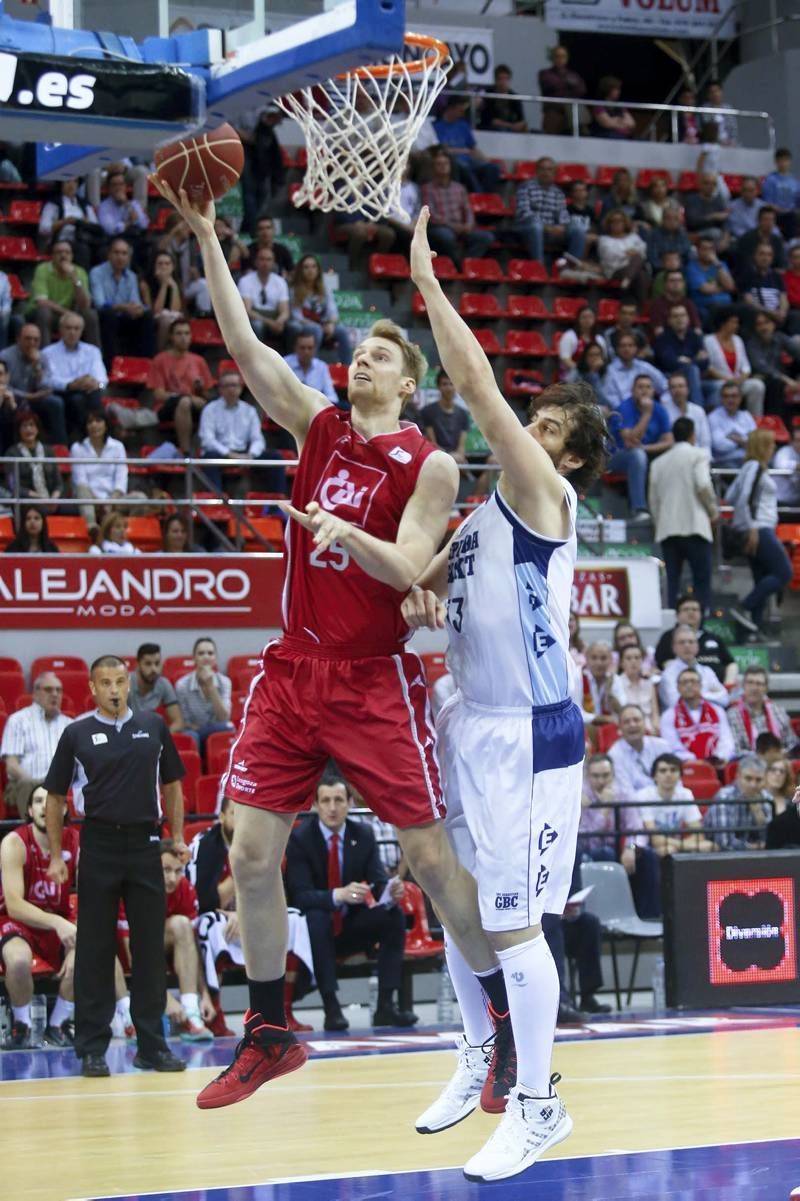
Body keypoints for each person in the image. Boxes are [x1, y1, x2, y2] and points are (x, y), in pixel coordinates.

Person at [151, 178, 500, 1118]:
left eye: (378, 355)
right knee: (250, 853)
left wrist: (354, 542)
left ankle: (507, 1022)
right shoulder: (322, 429)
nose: (360, 362)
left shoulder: (428, 462)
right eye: (355, 353)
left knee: (428, 859)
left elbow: (412, 572)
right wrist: (210, 239)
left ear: (410, 380)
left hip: (373, 678)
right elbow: (244, 349)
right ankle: (270, 1029)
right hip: (292, 668)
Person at [404, 204, 610, 1178]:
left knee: (513, 918)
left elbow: (477, 387)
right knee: (455, 903)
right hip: (468, 723)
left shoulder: (543, 498)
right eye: (534, 421)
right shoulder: (484, 513)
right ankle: (478, 1051)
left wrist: (429, 287)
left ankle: (537, 1104)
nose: (528, 432)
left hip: (532, 733)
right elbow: (418, 583)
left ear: (566, 460)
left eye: (547, 429)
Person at [43, 655, 187, 1077]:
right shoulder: (76, 733)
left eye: (120, 682)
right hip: (99, 842)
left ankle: (152, 1045)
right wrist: (55, 855)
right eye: (104, 683)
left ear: (129, 684)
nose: (113, 689)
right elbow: (54, 798)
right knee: (94, 948)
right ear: (91, 687)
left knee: (147, 948)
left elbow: (173, 784)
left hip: (145, 844)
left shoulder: (154, 727)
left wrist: (176, 837)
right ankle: (91, 1047)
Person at [285, 775, 412, 1031]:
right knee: (317, 917)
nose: (332, 807)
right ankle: (331, 1008)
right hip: (314, 930)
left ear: (350, 803)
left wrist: (390, 890)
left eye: (339, 800)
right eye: (326, 801)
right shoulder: (300, 838)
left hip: (351, 923)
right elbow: (300, 896)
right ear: (317, 805)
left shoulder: (363, 833)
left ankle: (385, 1006)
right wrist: (337, 895)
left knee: (394, 916)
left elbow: (377, 881)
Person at [0, 784, 80, 1048]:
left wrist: (75, 934)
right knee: (18, 961)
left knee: (86, 955)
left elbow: (92, 898)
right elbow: (14, 905)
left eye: (51, 801)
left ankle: (58, 1025)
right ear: (29, 810)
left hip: (57, 923)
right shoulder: (14, 842)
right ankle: (21, 1026)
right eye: (38, 801)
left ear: (65, 809)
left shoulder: (77, 842)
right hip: (18, 922)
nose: (45, 807)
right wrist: (58, 923)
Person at [726, 428, 792, 636]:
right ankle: (744, 606)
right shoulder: (755, 467)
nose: (773, 448)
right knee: (784, 572)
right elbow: (744, 498)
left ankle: (753, 628)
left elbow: (730, 495)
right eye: (770, 444)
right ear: (762, 446)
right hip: (760, 528)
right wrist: (752, 526)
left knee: (761, 577)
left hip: (754, 528)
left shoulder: (748, 467)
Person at [648, 416, 717, 613]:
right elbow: (703, 484)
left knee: (672, 581)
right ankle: (700, 621)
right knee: (701, 581)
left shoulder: (658, 462)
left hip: (668, 529)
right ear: (692, 434)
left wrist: (659, 522)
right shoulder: (698, 455)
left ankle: (672, 621)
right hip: (695, 527)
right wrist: (713, 511)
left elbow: (653, 501)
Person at [156, 840, 214, 1040]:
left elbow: (192, 947)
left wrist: (204, 995)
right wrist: (163, 997)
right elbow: (133, 952)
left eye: (178, 871)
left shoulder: (186, 889)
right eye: (165, 870)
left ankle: (191, 1012)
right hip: (130, 951)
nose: (172, 878)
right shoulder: (139, 890)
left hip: (166, 949)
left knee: (183, 925)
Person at [1, 672, 72, 819]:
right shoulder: (18, 721)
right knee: (32, 789)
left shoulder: (70, 725)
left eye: (58, 690)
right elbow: (12, 766)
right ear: (35, 693)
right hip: (27, 784)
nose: (54, 694)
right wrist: (39, 785)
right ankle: (34, 837)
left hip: (61, 786)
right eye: (48, 690)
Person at [607, 373, 674, 521]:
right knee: (637, 455)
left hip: (645, 452)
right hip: (617, 456)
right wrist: (646, 414)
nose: (644, 391)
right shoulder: (624, 408)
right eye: (640, 387)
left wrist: (645, 448)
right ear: (632, 390)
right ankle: (638, 508)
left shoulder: (660, 409)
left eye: (648, 387)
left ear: (653, 391)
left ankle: (669, 511)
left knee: (674, 456)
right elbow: (630, 442)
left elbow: (669, 441)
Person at [145, 317, 215, 455]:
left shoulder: (199, 361)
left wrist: (200, 389)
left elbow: (207, 395)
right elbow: (159, 394)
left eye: (187, 333)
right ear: (171, 337)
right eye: (179, 333)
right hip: (167, 407)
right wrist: (187, 396)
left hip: (195, 405)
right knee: (184, 402)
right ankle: (186, 451)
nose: (183, 337)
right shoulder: (160, 360)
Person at [420, 147, 493, 269]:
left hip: (461, 228)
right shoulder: (427, 189)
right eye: (439, 164)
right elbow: (430, 214)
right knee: (446, 236)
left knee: (486, 237)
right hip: (441, 227)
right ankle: (459, 266)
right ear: (433, 168)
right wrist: (453, 226)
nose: (443, 166)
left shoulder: (460, 188)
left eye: (446, 163)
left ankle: (466, 263)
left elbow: (468, 211)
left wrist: (469, 225)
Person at [198, 368, 265, 494]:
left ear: (240, 388)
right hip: (221, 454)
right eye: (226, 386)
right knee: (209, 458)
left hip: (244, 453)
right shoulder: (210, 409)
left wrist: (251, 455)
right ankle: (216, 499)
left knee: (274, 458)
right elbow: (207, 440)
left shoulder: (249, 411)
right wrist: (230, 454)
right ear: (220, 389)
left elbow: (258, 439)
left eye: (234, 385)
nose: (231, 389)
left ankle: (274, 506)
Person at [41, 310, 107, 438]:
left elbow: (103, 380)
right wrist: (71, 384)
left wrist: (96, 384)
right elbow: (47, 380)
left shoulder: (93, 351)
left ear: (82, 331)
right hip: (62, 392)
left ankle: (92, 439)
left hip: (89, 392)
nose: (72, 332)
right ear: (60, 329)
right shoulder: (48, 352)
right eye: (68, 328)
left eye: (76, 328)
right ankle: (86, 439)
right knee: (77, 400)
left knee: (95, 395)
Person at [512, 156, 586, 267]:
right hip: (527, 228)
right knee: (536, 226)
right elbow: (524, 213)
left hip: (551, 231)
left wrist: (562, 226)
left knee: (578, 228)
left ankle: (571, 268)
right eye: (542, 169)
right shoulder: (525, 187)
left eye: (549, 169)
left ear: (555, 173)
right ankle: (539, 267)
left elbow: (563, 216)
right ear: (536, 171)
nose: (545, 172)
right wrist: (546, 227)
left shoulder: (558, 193)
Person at [70, 409, 138, 528]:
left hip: (114, 499)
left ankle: (125, 530)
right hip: (89, 499)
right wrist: (100, 503)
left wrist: (110, 501)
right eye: (90, 422)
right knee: (81, 489)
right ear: (85, 426)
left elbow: (121, 478)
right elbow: (80, 481)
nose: (94, 425)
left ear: (106, 424)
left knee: (141, 499)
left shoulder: (118, 447)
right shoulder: (77, 448)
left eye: (98, 421)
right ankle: (92, 527)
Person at [0, 323, 67, 445]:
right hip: (12, 398)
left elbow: (47, 387)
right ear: (18, 339)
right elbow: (3, 385)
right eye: (28, 338)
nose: (32, 343)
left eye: (36, 340)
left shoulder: (41, 357)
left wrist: (37, 367)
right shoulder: (6, 356)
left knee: (56, 403)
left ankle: (60, 450)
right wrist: (28, 396)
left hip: (35, 400)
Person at [635, 754, 715, 856]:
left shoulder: (686, 794)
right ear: (654, 776)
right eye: (663, 771)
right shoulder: (644, 796)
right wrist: (686, 845)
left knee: (709, 846)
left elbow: (699, 834)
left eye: (673, 770)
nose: (668, 775)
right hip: (644, 846)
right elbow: (655, 839)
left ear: (680, 775)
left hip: (674, 844)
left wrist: (681, 845)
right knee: (668, 850)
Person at [89, 238, 153, 362]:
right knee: (109, 314)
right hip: (105, 317)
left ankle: (145, 363)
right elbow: (100, 303)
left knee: (147, 316)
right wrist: (123, 307)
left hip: (125, 316)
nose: (120, 257)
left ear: (129, 257)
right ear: (109, 255)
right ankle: (111, 364)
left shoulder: (131, 276)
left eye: (124, 253)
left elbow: (135, 302)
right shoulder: (97, 273)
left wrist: (139, 309)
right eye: (116, 252)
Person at [29, 238, 99, 348]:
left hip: (70, 314)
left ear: (72, 256)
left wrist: (75, 280)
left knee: (91, 315)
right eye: (59, 252)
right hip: (49, 314)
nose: (63, 256)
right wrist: (67, 313)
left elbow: (85, 304)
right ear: (52, 256)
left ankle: (95, 357)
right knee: (44, 314)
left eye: (67, 252)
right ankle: (44, 357)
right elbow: (42, 302)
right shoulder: (42, 269)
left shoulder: (79, 272)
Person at [654, 593, 737, 685]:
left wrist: (728, 684)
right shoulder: (668, 637)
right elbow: (658, 665)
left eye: (695, 609)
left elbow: (730, 663)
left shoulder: (713, 638)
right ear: (677, 615)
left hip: (716, 687)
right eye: (686, 609)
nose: (691, 612)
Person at [659, 667, 734, 765]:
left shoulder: (717, 711)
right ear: (678, 687)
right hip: (686, 766)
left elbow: (726, 739)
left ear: (700, 685)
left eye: (693, 681)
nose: (689, 685)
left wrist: (719, 756)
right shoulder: (668, 716)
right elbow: (671, 745)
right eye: (684, 682)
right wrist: (695, 761)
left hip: (718, 764)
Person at [288, 254, 351, 365]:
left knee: (341, 330)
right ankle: (313, 366)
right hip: (303, 326)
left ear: (318, 270)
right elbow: (296, 316)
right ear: (300, 270)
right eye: (306, 267)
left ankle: (348, 368)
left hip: (323, 325)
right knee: (315, 329)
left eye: (313, 267)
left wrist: (331, 324)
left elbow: (333, 312)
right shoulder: (294, 290)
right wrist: (321, 326)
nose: (310, 270)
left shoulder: (324, 288)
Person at [432, 95, 502, 194]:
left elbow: (473, 148)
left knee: (492, 168)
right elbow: (442, 150)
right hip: (453, 162)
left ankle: (487, 198)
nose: (462, 113)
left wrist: (486, 160)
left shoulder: (463, 125)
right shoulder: (436, 127)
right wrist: (465, 151)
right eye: (460, 110)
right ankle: (479, 194)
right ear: (451, 108)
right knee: (462, 166)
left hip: (469, 161)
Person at [175, 636, 233, 754]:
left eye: (210, 653)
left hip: (217, 728)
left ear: (215, 658)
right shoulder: (182, 685)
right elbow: (184, 721)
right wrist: (198, 728)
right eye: (201, 653)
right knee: (191, 736)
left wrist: (211, 687)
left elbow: (224, 717)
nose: (206, 657)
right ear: (194, 658)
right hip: (193, 730)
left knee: (228, 727)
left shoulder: (225, 682)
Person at [703, 754, 771, 850]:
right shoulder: (725, 797)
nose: (753, 785)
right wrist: (753, 847)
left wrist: (759, 815)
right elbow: (724, 843)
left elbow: (770, 840)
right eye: (748, 778)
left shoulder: (766, 797)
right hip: (718, 858)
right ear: (738, 776)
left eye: (758, 780)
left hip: (754, 857)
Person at [704, 307, 766, 413]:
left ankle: (755, 419)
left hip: (737, 381)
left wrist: (742, 378)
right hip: (720, 381)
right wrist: (727, 379)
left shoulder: (738, 340)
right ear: (722, 323)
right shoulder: (708, 340)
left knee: (757, 385)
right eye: (733, 322)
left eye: (737, 322)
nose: (736, 325)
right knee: (720, 387)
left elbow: (745, 366)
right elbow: (708, 367)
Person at [658, 625, 731, 711]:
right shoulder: (668, 674)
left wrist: (695, 695)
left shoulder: (707, 671)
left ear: (697, 646)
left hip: (709, 718)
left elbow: (725, 699)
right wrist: (708, 693)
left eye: (691, 642)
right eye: (682, 642)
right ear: (674, 648)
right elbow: (674, 702)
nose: (687, 646)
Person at [727, 667, 795, 756]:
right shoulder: (732, 715)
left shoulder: (779, 712)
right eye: (750, 683)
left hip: (778, 763)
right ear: (743, 686)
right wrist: (765, 757)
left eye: (759, 684)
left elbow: (792, 744)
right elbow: (736, 751)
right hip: (749, 766)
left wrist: (780, 754)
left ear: (766, 688)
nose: (754, 688)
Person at [652, 304, 709, 408]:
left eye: (683, 315)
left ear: (688, 319)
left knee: (717, 387)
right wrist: (695, 359)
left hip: (693, 381)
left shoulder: (695, 336)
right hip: (669, 379)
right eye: (676, 316)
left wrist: (686, 360)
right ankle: (698, 411)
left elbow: (705, 362)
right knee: (692, 370)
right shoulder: (663, 339)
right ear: (669, 320)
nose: (680, 319)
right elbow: (669, 363)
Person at [608, 704, 670, 799]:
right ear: (619, 727)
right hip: (636, 810)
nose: (632, 725)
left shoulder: (662, 746)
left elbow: (674, 782)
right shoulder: (615, 755)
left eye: (636, 720)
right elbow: (627, 794)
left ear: (645, 723)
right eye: (626, 722)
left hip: (667, 804)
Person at [746, 311, 800, 417]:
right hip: (765, 379)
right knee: (776, 383)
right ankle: (778, 422)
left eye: (766, 322)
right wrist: (787, 380)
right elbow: (762, 368)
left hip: (785, 379)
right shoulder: (752, 343)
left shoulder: (780, 337)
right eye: (759, 324)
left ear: (773, 324)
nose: (763, 327)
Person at [237, 245, 291, 349]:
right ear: (256, 262)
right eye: (262, 259)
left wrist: (279, 322)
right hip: (255, 317)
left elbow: (285, 311)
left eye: (269, 259)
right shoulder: (245, 281)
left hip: (275, 318)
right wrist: (269, 322)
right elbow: (247, 311)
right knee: (257, 326)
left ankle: (289, 360)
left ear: (273, 262)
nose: (265, 263)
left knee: (294, 327)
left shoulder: (280, 282)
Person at [4, 409, 62, 504]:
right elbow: (12, 485)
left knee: (78, 510)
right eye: (24, 426)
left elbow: (58, 483)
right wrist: (38, 498)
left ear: (37, 429)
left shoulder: (48, 450)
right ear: (19, 430)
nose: (28, 429)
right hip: (26, 501)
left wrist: (54, 499)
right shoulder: (12, 453)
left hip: (51, 500)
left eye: (31, 425)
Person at [129, 643, 184, 732]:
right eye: (148, 664)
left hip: (152, 735)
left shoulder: (163, 683)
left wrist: (163, 737)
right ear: (138, 665)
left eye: (157, 663)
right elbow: (114, 722)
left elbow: (178, 722)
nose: (154, 669)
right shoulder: (124, 684)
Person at [604, 334, 667, 411]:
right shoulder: (611, 370)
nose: (627, 349)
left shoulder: (645, 367)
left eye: (630, 345)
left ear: (636, 348)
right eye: (623, 346)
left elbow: (665, 386)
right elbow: (611, 398)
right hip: (623, 412)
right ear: (617, 349)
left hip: (648, 408)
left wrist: (663, 402)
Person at [596, 210, 648, 302]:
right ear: (609, 224)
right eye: (613, 221)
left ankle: (626, 282)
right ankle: (643, 306)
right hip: (615, 270)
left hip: (632, 268)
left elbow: (643, 249)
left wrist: (630, 253)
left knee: (641, 273)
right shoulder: (604, 240)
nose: (617, 223)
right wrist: (627, 253)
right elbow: (609, 256)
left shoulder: (633, 236)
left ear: (625, 223)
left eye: (620, 221)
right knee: (638, 261)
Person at [422, 369, 470, 463]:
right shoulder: (428, 411)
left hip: (458, 459)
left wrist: (458, 456)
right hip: (436, 457)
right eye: (444, 384)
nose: (448, 388)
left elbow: (461, 447)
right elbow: (432, 444)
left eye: (451, 384)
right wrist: (449, 457)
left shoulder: (463, 413)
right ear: (438, 387)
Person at [140, 249, 184, 351]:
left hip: (171, 318)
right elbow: (155, 311)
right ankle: (160, 353)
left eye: (167, 264)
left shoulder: (175, 283)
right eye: (160, 263)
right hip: (151, 319)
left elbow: (175, 310)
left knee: (174, 319)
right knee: (165, 318)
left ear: (173, 267)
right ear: (154, 266)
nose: (164, 267)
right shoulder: (145, 283)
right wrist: (164, 285)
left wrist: (173, 286)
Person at [610, 644, 659, 733]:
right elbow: (616, 714)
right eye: (628, 658)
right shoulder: (616, 683)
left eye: (637, 658)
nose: (633, 661)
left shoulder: (648, 683)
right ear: (621, 663)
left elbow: (655, 714)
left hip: (649, 728)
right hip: (627, 728)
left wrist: (655, 728)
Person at [538, 45, 586, 136]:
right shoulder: (544, 74)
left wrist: (566, 85)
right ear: (552, 58)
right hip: (554, 114)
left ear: (567, 58)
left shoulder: (574, 74)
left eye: (563, 56)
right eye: (557, 56)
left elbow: (581, 90)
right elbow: (553, 85)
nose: (560, 59)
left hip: (572, 116)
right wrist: (569, 84)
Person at [708, 380, 757, 467]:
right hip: (724, 462)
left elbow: (756, 443)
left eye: (734, 396)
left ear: (740, 398)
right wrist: (743, 441)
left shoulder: (746, 416)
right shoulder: (713, 417)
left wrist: (734, 438)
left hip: (747, 459)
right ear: (721, 399)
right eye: (726, 396)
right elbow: (720, 446)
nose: (730, 400)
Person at [283, 330, 339, 407]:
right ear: (295, 348)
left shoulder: (321, 366)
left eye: (310, 348)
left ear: (315, 349)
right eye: (302, 348)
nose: (306, 351)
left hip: (316, 410)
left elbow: (332, 397)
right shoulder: (284, 363)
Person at [686, 238, 734, 327]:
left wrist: (717, 264)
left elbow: (730, 286)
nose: (708, 252)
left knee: (744, 309)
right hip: (705, 306)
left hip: (727, 305)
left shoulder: (720, 265)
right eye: (704, 249)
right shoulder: (692, 267)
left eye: (711, 249)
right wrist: (722, 287)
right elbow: (705, 289)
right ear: (698, 250)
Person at [661, 372, 711, 456]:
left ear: (688, 389)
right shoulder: (663, 411)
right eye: (673, 387)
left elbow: (705, 443)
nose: (677, 390)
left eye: (681, 386)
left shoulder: (698, 411)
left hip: (698, 457)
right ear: (669, 391)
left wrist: (705, 460)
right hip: (673, 457)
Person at [578, 641, 617, 737]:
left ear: (611, 660)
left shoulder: (614, 679)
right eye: (594, 658)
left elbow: (621, 710)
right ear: (586, 659)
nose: (599, 663)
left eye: (603, 658)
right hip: (583, 729)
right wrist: (603, 719)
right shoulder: (577, 677)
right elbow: (577, 713)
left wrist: (609, 690)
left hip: (610, 729)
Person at [557, 306, 606, 382]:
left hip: (594, 376)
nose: (587, 320)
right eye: (584, 317)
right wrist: (582, 371)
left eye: (590, 317)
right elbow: (565, 359)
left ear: (594, 319)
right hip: (572, 377)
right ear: (578, 319)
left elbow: (603, 359)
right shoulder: (569, 336)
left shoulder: (599, 339)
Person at [684, 172, 730, 251]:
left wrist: (725, 239)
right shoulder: (692, 199)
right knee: (715, 233)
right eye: (707, 183)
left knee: (728, 244)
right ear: (700, 184)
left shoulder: (719, 200)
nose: (710, 186)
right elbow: (692, 222)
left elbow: (725, 223)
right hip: (695, 234)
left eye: (713, 184)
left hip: (715, 237)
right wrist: (712, 216)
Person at [648, 269, 702, 337]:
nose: (676, 283)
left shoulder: (689, 303)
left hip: (689, 342)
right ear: (665, 284)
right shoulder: (657, 305)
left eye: (680, 280)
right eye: (672, 280)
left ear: (683, 284)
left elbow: (697, 329)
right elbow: (658, 332)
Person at [761, 147, 800, 240]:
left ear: (790, 161)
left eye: (786, 160)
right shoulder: (770, 180)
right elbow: (767, 202)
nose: (783, 163)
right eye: (781, 160)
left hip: (791, 214)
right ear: (776, 162)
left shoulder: (794, 182)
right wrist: (781, 210)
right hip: (775, 214)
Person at [478, 64, 527, 134]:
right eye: (500, 79)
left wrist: (520, 125)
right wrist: (511, 126)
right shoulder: (489, 95)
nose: (503, 82)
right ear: (496, 80)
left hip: (511, 130)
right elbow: (490, 120)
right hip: (491, 130)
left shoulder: (514, 97)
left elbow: (521, 119)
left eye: (506, 79)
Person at [726, 176, 764, 242]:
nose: (747, 193)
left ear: (757, 191)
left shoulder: (763, 206)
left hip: (761, 239)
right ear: (741, 190)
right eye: (745, 190)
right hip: (741, 240)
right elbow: (734, 228)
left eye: (751, 190)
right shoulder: (733, 206)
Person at [773, 423, 800, 506]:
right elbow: (780, 464)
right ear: (791, 441)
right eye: (798, 440)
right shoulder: (784, 451)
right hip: (780, 500)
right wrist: (797, 466)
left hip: (796, 500)